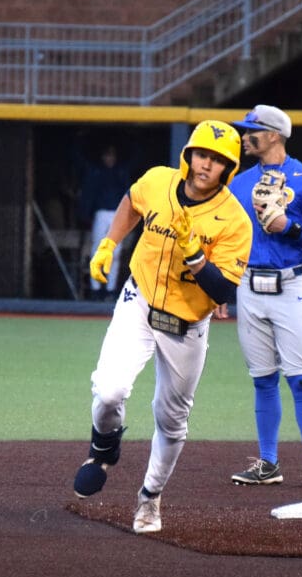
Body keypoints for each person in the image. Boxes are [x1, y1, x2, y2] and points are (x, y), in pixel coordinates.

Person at [71, 120, 252, 534]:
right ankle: (104, 445)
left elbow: (223, 289)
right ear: (188, 155)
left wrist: (195, 257)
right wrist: (109, 242)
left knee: (171, 419)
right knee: (109, 389)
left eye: (218, 160)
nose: (207, 165)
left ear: (229, 169)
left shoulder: (234, 221)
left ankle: (150, 498)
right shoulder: (158, 180)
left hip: (187, 324)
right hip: (139, 300)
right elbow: (132, 202)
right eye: (202, 154)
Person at [227, 104, 302, 489]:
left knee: (301, 379)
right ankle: (269, 463)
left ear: (273, 135)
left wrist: (289, 227)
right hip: (248, 286)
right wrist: (222, 287)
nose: (244, 136)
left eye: (250, 130)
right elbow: (227, 238)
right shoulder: (238, 183)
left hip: (291, 286)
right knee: (262, 379)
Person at [74, 138, 138, 300]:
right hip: (101, 214)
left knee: (115, 253)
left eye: (111, 156)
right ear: (102, 157)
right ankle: (95, 290)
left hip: (118, 215)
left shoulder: (121, 172)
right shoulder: (96, 172)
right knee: (97, 250)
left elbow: (136, 158)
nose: (109, 158)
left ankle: (110, 290)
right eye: (106, 155)